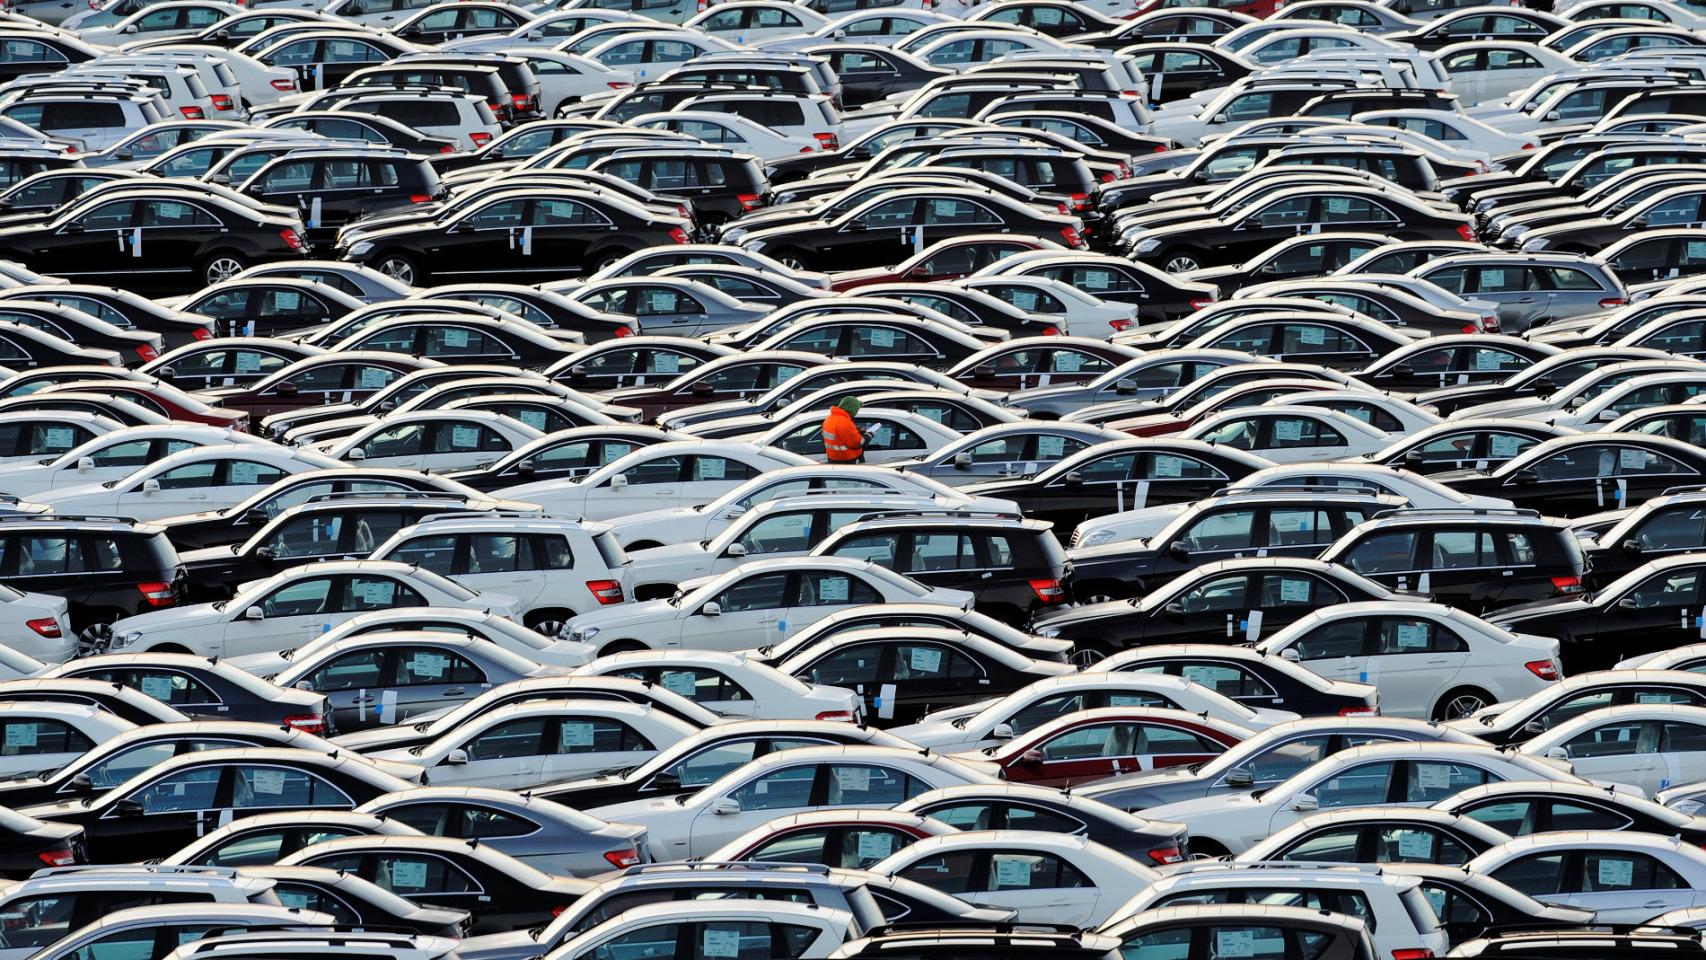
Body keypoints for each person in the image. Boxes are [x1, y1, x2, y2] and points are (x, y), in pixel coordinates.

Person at [822, 395, 865, 463]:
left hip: (832, 458)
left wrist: (855, 430)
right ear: (853, 410)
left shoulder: (829, 419)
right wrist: (868, 435)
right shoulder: (845, 422)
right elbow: (858, 443)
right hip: (846, 460)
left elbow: (838, 435)